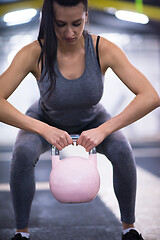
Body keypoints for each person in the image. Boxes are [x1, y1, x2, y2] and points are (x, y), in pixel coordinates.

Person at [0, 0, 159, 239]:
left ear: (86, 16)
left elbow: (150, 96)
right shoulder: (34, 52)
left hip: (94, 118)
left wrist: (104, 130)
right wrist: (43, 129)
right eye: (60, 24)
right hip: (45, 119)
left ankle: (130, 228)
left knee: (122, 149)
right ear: (48, 20)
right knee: (22, 152)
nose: (69, 32)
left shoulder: (103, 48)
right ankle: (21, 233)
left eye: (77, 23)